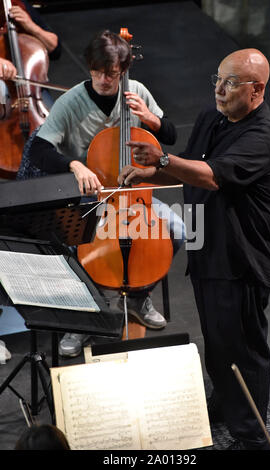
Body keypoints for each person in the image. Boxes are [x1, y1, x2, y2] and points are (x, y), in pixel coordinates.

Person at [118, 48, 270, 450]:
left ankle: (251, 436)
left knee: (243, 350)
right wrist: (151, 172)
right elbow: (187, 165)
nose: (219, 90)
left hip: (239, 260)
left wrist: (161, 157)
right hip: (206, 247)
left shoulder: (262, 137)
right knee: (217, 342)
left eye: (230, 83)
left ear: (257, 89)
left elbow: (210, 177)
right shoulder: (213, 116)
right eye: (218, 79)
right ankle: (226, 404)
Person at [27, 29, 185, 358]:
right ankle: (82, 318)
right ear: (90, 67)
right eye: (97, 72)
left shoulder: (137, 91)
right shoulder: (72, 101)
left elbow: (169, 135)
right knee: (74, 246)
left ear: (123, 71)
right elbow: (39, 150)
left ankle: (140, 294)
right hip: (93, 197)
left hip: (136, 194)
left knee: (179, 231)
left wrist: (151, 119)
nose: (103, 79)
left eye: (111, 74)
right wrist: (74, 164)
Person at [0, 0, 61, 108]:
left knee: (51, 122)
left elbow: (55, 50)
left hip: (31, 88)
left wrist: (31, 25)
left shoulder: (18, 4)